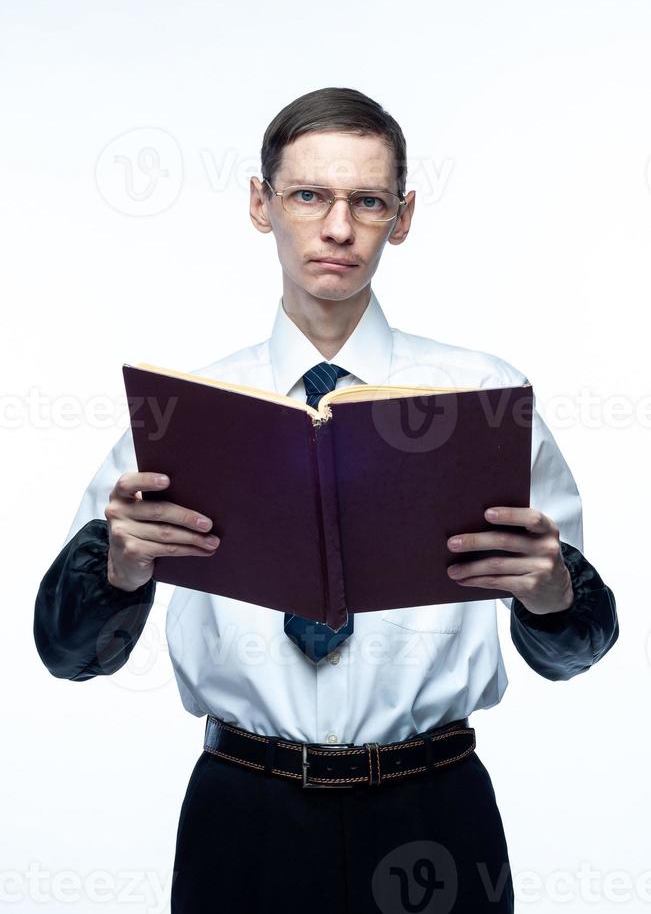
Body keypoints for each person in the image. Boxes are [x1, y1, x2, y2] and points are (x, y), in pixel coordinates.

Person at [34, 87, 619, 914]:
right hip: (243, 815)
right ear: (260, 203)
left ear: (402, 216)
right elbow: (65, 653)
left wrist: (553, 596)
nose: (337, 228)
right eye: (308, 195)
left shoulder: (483, 397)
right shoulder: (182, 412)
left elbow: (574, 651)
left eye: (367, 201)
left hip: (433, 811)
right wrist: (121, 569)